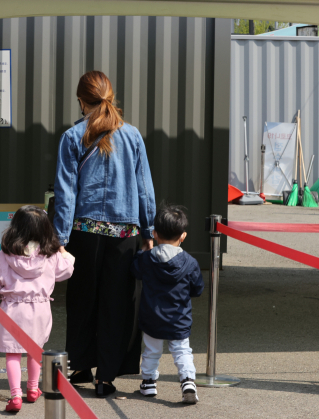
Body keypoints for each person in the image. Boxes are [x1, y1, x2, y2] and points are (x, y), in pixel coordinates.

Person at [53, 70, 156, 397]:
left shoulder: (73, 137)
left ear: (82, 101)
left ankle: (80, 365)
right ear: (110, 97)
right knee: (117, 304)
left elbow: (66, 192)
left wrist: (60, 238)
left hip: (85, 232)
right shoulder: (134, 136)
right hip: (125, 235)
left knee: (83, 299)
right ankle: (106, 377)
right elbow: (144, 189)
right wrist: (149, 229)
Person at [0, 206, 75, 412]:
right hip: (40, 310)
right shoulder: (50, 254)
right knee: (35, 351)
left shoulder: (5, 255)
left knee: (13, 354)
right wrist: (63, 250)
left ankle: (15, 395)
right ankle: (32, 389)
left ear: (16, 227)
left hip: (12, 310)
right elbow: (66, 271)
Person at [131, 204, 204, 404]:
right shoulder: (190, 263)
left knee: (151, 351)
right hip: (179, 319)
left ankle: (148, 383)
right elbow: (197, 289)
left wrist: (141, 253)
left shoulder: (146, 259)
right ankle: (188, 382)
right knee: (182, 351)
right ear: (183, 236)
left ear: (154, 234)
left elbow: (135, 271)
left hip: (151, 316)